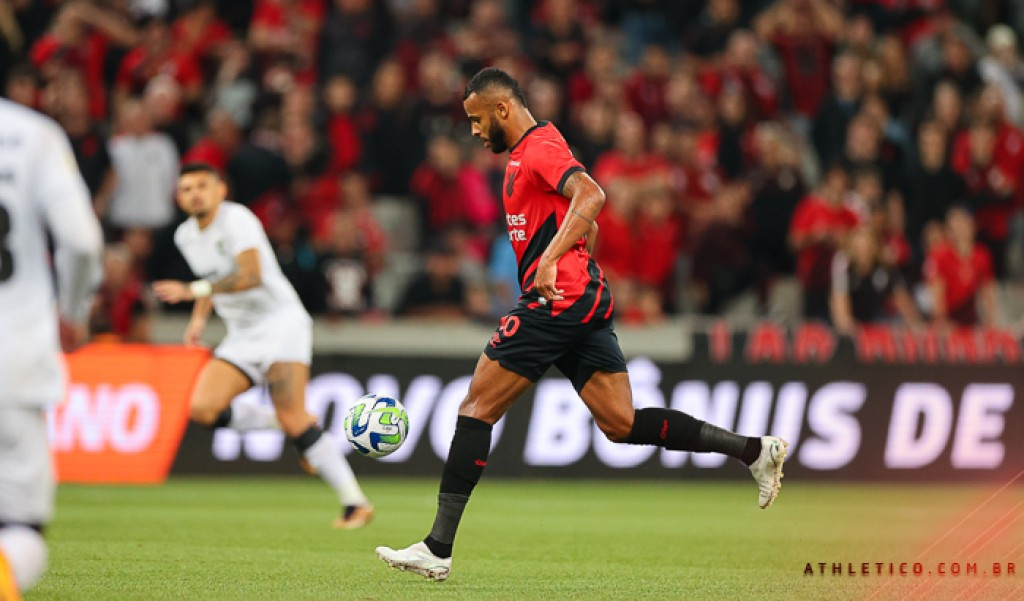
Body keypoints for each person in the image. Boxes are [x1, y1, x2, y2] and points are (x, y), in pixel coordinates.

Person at [375, 68, 789, 581]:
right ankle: (753, 451)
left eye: (477, 120)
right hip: (580, 297)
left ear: (502, 109)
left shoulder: (541, 145)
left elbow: (592, 196)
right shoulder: (523, 157)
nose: (475, 132)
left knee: (476, 406)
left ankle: (437, 548)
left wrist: (551, 260)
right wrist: (571, 252)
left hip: (559, 299)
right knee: (620, 423)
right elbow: (585, 224)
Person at [152, 163, 372, 529]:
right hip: (241, 334)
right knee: (204, 409)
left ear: (221, 190)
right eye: (187, 188)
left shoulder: (237, 220)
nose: (195, 193)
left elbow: (249, 275)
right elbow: (211, 279)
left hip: (281, 324)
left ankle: (355, 503)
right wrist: (198, 318)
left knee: (294, 416)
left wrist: (194, 292)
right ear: (179, 197)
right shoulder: (185, 236)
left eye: (202, 185)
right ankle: (283, 423)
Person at [0, 98, 103, 598]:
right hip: (12, 356)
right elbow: (81, 243)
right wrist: (73, 311)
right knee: (22, 533)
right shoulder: (33, 134)